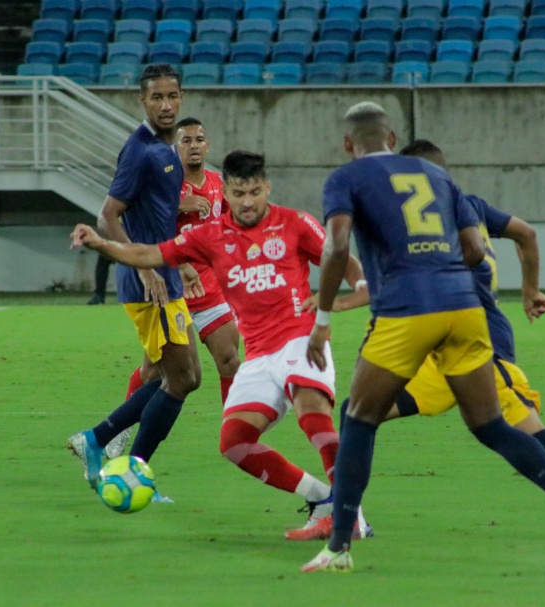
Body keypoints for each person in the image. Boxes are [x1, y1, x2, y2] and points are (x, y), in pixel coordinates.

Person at [301, 139, 545, 546]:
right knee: (358, 413)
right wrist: (531, 290)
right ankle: (346, 516)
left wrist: (337, 305)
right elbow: (524, 233)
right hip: (429, 351)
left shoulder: (428, 216)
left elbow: (432, 272)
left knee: (538, 442)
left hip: (480, 350)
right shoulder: (468, 206)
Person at [69, 150, 373, 539]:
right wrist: (99, 243)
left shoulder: (296, 223)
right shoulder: (209, 236)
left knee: (311, 411)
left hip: (301, 341)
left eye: (254, 191)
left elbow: (346, 264)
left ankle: (351, 516)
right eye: (239, 193)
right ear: (225, 193)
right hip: (260, 355)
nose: (247, 201)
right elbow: (148, 253)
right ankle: (323, 500)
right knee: (234, 443)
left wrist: (346, 299)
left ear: (267, 188)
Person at [67, 63, 201, 496]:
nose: (166, 105)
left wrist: (179, 260)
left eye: (173, 96)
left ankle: (98, 440)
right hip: (148, 285)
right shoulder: (140, 150)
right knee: (179, 380)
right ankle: (125, 465)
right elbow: (108, 216)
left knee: (185, 376)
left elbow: (159, 218)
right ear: (141, 100)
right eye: (157, 97)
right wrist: (144, 267)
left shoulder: (168, 150)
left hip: (166, 275)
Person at [106, 117, 242, 459]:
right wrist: (182, 205)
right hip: (169, 289)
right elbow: (137, 213)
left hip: (208, 289)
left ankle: (237, 432)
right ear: (175, 147)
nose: (194, 145)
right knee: (156, 372)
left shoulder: (216, 184)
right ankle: (117, 432)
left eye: (199, 139)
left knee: (229, 358)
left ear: (207, 146)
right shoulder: (163, 181)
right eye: (186, 140)